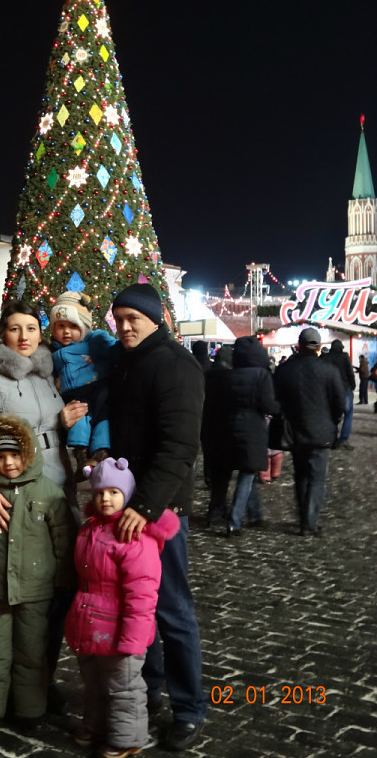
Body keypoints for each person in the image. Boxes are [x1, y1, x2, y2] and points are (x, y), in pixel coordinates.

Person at [0, 299, 86, 709]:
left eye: (31, 328)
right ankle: (9, 687)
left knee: (55, 593)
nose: (24, 336)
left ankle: (38, 679)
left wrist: (61, 424)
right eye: (15, 328)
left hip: (56, 492)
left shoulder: (45, 374)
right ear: (2, 335)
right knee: (14, 597)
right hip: (12, 498)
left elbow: (46, 430)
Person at [108, 283, 207, 752]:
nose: (125, 327)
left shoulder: (173, 364)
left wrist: (145, 506)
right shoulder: (129, 361)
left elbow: (179, 446)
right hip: (130, 503)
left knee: (171, 608)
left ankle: (189, 708)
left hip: (159, 509)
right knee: (136, 605)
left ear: (156, 318)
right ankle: (150, 688)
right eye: (119, 319)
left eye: (134, 319)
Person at [0, 415, 76, 740]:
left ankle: (30, 710)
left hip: (36, 592)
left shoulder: (49, 493)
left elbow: (64, 542)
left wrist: (65, 585)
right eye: (1, 456)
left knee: (32, 654)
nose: (8, 463)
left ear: (28, 453)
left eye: (15, 455)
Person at [65, 457, 179, 758]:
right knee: (94, 683)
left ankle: (127, 738)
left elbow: (141, 595)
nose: (105, 498)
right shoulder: (90, 529)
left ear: (127, 495)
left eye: (114, 492)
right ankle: (96, 726)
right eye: (99, 492)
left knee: (123, 687)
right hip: (90, 623)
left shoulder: (134, 537)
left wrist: (133, 638)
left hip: (120, 629)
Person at [275, 327, 345, 536]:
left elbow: (277, 399)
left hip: (295, 431)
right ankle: (309, 522)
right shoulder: (329, 370)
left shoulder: (285, 370)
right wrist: (333, 420)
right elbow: (339, 402)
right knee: (317, 478)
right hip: (321, 432)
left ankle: (304, 517)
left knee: (301, 476)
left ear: (299, 345)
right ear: (318, 347)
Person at [49, 291, 117, 477]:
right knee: (79, 420)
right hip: (73, 394)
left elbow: (114, 348)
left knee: (103, 419)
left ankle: (101, 452)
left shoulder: (94, 340)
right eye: (60, 326)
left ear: (84, 326)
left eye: (73, 326)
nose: (66, 331)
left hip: (97, 387)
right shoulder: (53, 350)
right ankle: (81, 456)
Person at [225, 336, 278, 536]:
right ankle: (234, 521)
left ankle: (255, 514)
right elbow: (268, 405)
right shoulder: (261, 375)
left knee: (248, 472)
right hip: (252, 429)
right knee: (247, 474)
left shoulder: (230, 375)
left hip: (230, 426)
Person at [201, 345, 233, 527]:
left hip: (207, 427)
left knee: (214, 469)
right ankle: (217, 509)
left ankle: (217, 507)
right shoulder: (229, 378)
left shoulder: (206, 376)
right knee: (223, 475)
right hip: (224, 429)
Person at [323, 339, 355, 449]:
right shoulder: (344, 356)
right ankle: (343, 439)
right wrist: (353, 386)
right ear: (341, 348)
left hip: (330, 390)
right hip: (344, 388)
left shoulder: (325, 357)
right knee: (348, 414)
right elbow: (350, 372)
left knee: (332, 414)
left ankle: (333, 439)